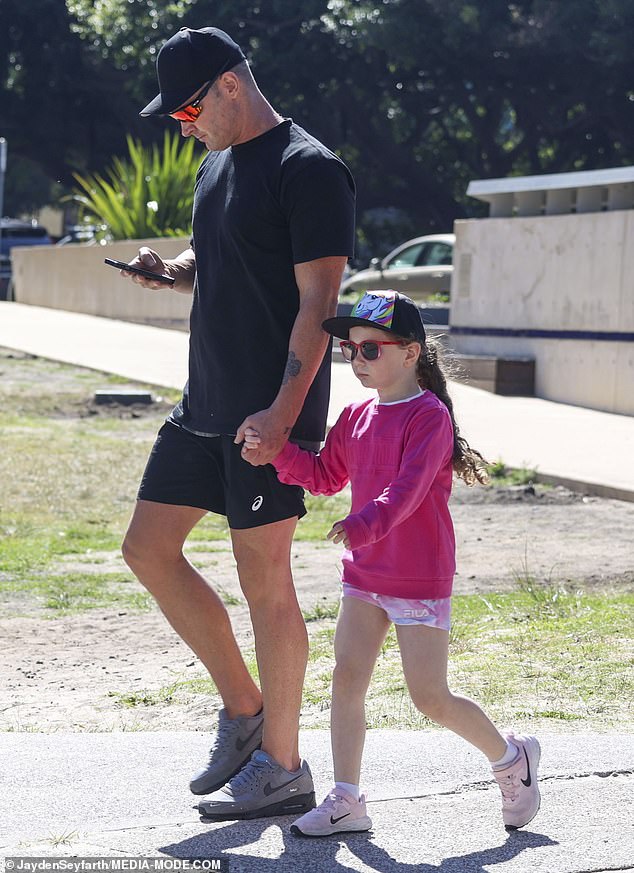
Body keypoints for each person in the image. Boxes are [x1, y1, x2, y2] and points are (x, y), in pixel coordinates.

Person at [119, 25, 355, 821]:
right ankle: (245, 709)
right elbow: (217, 254)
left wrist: (284, 416)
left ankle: (284, 767)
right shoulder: (217, 164)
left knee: (266, 583)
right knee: (146, 547)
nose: (184, 127)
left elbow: (318, 305)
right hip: (204, 404)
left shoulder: (310, 169)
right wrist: (171, 272)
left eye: (189, 108)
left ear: (229, 83)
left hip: (269, 413)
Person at [242, 290, 541, 836]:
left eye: (370, 350)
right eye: (350, 351)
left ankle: (511, 758)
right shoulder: (355, 415)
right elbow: (326, 475)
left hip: (417, 576)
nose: (357, 361)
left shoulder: (429, 418)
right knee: (347, 678)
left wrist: (362, 526)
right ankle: (348, 800)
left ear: (410, 352)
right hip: (365, 576)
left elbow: (406, 492)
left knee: (430, 697)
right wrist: (275, 455)